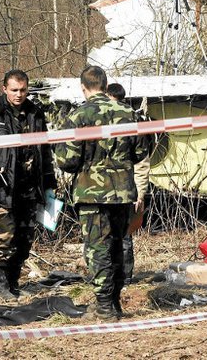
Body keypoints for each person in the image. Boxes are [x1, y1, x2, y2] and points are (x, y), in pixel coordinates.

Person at [54, 66, 142, 320]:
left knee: (97, 248)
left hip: (91, 194)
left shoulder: (80, 116)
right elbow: (140, 153)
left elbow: (67, 160)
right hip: (122, 192)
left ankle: (104, 306)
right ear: (105, 85)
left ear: (83, 88)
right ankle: (113, 302)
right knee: (116, 246)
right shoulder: (128, 113)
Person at [0, 69, 57, 300]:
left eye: (23, 90)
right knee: (5, 237)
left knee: (25, 237)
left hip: (29, 186)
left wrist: (49, 183)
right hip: (3, 186)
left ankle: (13, 281)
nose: (19, 94)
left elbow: (45, 149)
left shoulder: (35, 113)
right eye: (14, 90)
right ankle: (0, 285)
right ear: (4, 89)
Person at [106, 82, 151, 285]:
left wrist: (140, 193)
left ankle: (124, 277)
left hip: (125, 190)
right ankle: (107, 277)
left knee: (123, 235)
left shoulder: (134, 123)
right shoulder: (97, 120)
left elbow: (142, 163)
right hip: (101, 190)